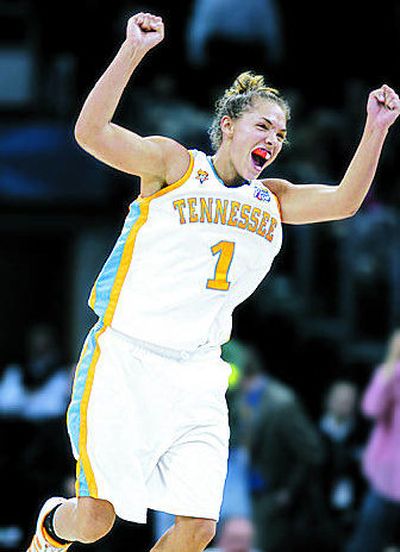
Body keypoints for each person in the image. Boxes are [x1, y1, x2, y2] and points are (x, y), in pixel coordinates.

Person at [26, 11, 400, 552]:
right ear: (229, 125)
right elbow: (90, 133)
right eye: (263, 126)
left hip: (199, 372)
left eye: (281, 133)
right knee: (94, 522)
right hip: (126, 357)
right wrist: (132, 50)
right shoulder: (174, 166)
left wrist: (376, 129)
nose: (273, 139)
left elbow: (345, 201)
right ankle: (47, 528)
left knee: (198, 529)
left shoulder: (272, 198)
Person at [346, 330, 400, 552]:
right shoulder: (393, 375)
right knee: (365, 544)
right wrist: (389, 370)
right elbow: (370, 408)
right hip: (387, 479)